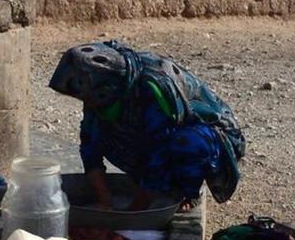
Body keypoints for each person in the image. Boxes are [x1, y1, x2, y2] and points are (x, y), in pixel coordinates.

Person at [48, 40, 246, 211]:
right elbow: (89, 144)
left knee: (187, 144)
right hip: (158, 136)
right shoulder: (100, 91)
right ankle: (158, 188)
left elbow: (159, 150)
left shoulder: (153, 87)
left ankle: (186, 192)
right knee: (106, 133)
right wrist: (105, 200)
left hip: (211, 138)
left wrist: (134, 213)